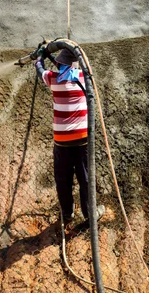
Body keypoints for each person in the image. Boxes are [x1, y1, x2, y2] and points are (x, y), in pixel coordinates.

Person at [35, 48, 104, 226]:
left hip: (62, 141)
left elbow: (40, 69)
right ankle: (89, 213)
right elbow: (66, 65)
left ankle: (67, 212)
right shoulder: (84, 78)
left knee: (62, 178)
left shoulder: (53, 78)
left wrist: (41, 56)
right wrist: (53, 56)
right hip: (82, 140)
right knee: (85, 177)